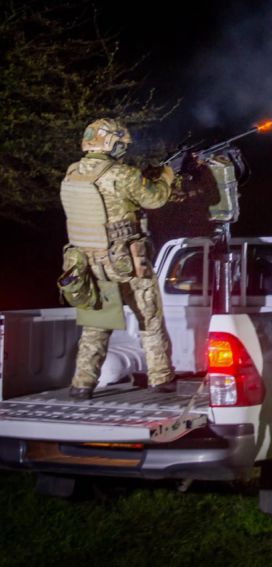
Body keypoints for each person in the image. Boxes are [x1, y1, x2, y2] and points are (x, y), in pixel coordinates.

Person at [60, 118, 178, 399]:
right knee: (149, 316)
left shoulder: (72, 172)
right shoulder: (122, 174)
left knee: (96, 323)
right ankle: (161, 378)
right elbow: (155, 199)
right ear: (109, 143)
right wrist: (167, 175)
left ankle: (82, 384)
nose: (123, 149)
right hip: (126, 262)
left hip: (88, 262)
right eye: (120, 144)